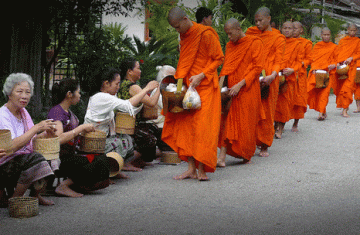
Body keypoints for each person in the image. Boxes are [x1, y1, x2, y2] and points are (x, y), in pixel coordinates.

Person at [163, 7, 224, 181]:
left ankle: (202, 168)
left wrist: (202, 74)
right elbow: (185, 61)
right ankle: (191, 168)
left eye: (177, 26)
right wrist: (179, 85)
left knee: (204, 130)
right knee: (186, 128)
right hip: (187, 86)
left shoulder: (206, 34)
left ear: (184, 19)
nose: (177, 31)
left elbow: (219, 58)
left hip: (205, 87)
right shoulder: (184, 36)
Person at [84, 67, 158, 177]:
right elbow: (127, 105)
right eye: (116, 84)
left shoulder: (106, 96)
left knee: (126, 139)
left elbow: (130, 109)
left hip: (102, 139)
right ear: (106, 83)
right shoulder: (101, 97)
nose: (118, 87)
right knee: (121, 142)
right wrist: (146, 89)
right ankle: (110, 170)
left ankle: (115, 168)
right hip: (94, 142)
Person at [48, 78, 110, 198]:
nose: (80, 95)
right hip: (58, 159)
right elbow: (58, 139)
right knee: (95, 162)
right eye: (78, 92)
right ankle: (64, 186)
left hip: (70, 155)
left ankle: (78, 184)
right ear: (69, 94)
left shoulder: (66, 111)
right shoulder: (56, 112)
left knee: (101, 158)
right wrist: (80, 129)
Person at [0, 73, 55, 206]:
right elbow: (11, 147)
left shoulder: (23, 112)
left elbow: (30, 140)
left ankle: (35, 195)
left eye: (28, 92)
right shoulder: (3, 115)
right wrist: (36, 128)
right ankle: (16, 200)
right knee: (35, 159)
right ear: (9, 93)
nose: (24, 96)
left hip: (19, 159)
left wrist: (45, 134)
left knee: (51, 157)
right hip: (4, 162)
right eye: (19, 91)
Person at [217, 18, 265, 166]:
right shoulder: (230, 45)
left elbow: (257, 68)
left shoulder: (254, 42)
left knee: (246, 123)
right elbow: (227, 67)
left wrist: (241, 84)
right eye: (227, 34)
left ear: (238, 29)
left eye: (230, 34)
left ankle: (246, 152)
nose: (229, 37)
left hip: (248, 89)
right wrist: (220, 87)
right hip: (232, 90)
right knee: (226, 121)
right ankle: (222, 158)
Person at [246, 6, 286, 157]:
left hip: (270, 78)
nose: (257, 23)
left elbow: (278, 60)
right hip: (253, 75)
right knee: (252, 110)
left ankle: (264, 145)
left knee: (267, 113)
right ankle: (251, 141)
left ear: (269, 19)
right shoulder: (251, 33)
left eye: (260, 20)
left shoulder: (277, 38)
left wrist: (273, 75)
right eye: (255, 20)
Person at [118, 58, 162, 166]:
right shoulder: (132, 86)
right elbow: (151, 103)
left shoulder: (123, 84)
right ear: (129, 71)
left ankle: (140, 159)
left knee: (155, 130)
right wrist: (160, 87)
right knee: (151, 140)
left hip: (127, 123)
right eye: (138, 68)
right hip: (131, 125)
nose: (140, 71)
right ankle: (127, 162)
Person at [274, 21, 302, 139]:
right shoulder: (278, 40)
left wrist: (292, 69)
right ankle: (275, 126)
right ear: (281, 28)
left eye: (289, 28)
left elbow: (299, 61)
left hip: (288, 78)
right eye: (285, 28)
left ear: (293, 30)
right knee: (274, 104)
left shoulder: (297, 44)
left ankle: (280, 128)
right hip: (276, 75)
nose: (287, 30)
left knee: (284, 105)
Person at [307, 28, 337, 120]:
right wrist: (314, 69)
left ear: (330, 35)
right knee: (317, 93)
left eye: (328, 35)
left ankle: (320, 113)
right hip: (318, 72)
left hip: (328, 73)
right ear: (321, 35)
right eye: (324, 35)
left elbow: (337, 60)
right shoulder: (317, 46)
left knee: (325, 93)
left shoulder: (334, 47)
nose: (326, 37)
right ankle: (322, 110)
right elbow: (313, 59)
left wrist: (334, 65)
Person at [332, 23, 360, 117]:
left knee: (347, 88)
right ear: (347, 30)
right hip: (342, 68)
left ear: (356, 31)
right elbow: (338, 53)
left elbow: (359, 53)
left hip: (352, 68)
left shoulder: (358, 41)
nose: (352, 32)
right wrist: (338, 62)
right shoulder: (343, 41)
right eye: (350, 30)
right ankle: (344, 106)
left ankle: (345, 109)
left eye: (354, 30)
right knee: (340, 88)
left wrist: (352, 58)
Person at [291, 21, 312, 132]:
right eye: (291, 28)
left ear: (301, 30)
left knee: (299, 100)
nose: (293, 30)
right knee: (284, 99)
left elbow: (309, 59)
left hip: (300, 74)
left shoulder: (306, 43)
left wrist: (301, 63)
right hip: (288, 73)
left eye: (295, 28)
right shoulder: (285, 41)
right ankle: (280, 123)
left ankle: (295, 123)